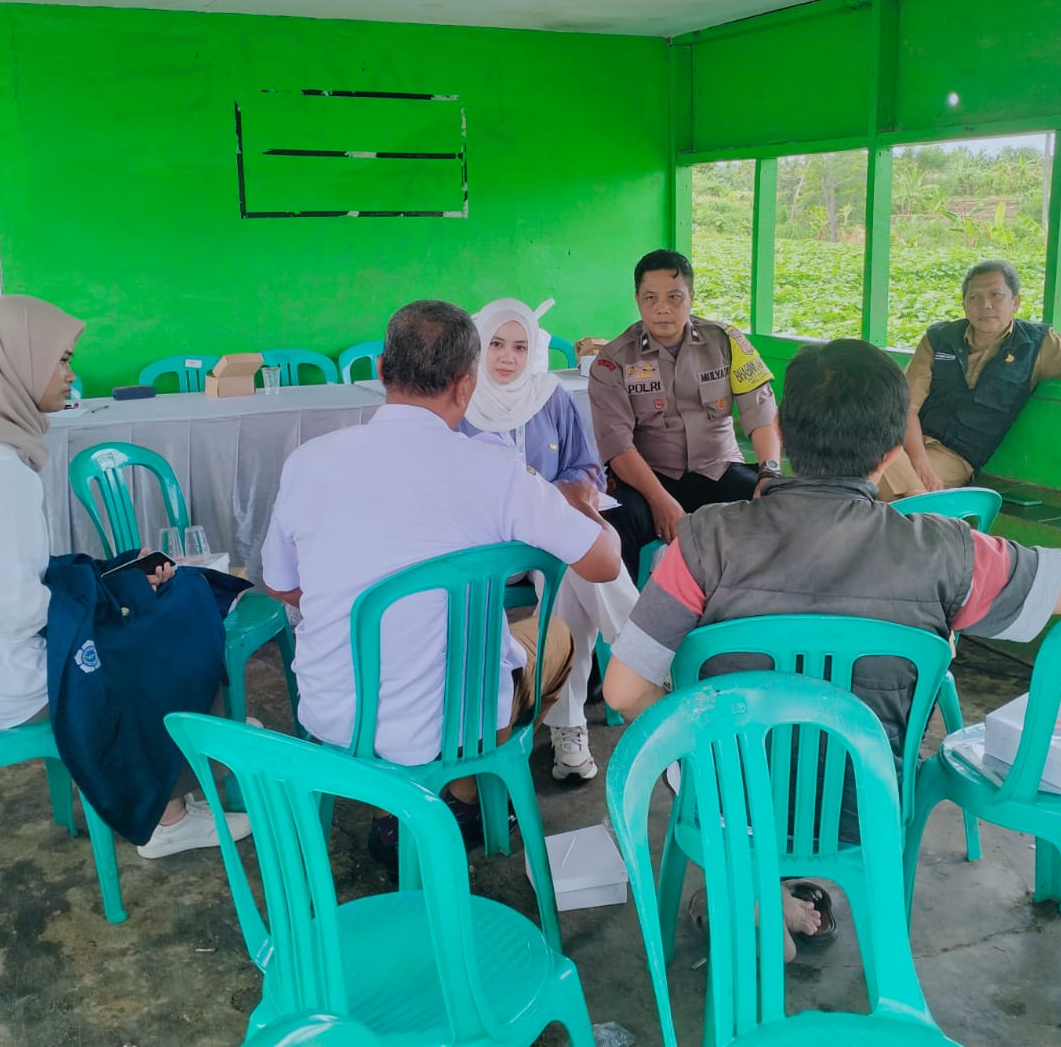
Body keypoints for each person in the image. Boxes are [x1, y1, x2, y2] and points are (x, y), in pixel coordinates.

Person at [602, 337, 1061, 957]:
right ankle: (773, 893)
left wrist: (709, 737)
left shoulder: (704, 540)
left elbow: (625, 690)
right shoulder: (947, 551)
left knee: (701, 742)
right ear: (891, 454)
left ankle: (749, 887)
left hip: (727, 802)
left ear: (779, 435)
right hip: (864, 802)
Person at [261, 300, 622, 859]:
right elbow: (603, 564)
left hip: (334, 710)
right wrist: (587, 508)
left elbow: (282, 586)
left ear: (381, 369)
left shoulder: (307, 461)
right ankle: (467, 794)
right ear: (466, 384)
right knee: (556, 638)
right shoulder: (494, 469)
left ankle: (394, 812)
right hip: (455, 719)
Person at [0, 296, 249, 858]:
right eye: (59, 360)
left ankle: (200, 745)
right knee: (173, 619)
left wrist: (107, 584)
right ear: (12, 364)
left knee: (142, 602)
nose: (69, 375)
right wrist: (105, 599)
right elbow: (15, 611)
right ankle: (169, 812)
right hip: (5, 682)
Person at [458, 296, 639, 782]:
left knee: (569, 578)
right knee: (576, 559)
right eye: (496, 344)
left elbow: (586, 466)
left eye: (520, 347)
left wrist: (561, 492)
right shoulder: (462, 400)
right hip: (491, 547)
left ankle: (569, 725)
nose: (507, 357)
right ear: (477, 345)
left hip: (550, 536)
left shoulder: (549, 396)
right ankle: (645, 656)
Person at [588, 249, 783, 578]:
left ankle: (758, 605)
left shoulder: (726, 342)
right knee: (614, 524)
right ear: (637, 300)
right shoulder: (614, 360)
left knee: (779, 508)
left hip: (719, 470)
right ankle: (628, 610)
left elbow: (761, 414)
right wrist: (659, 500)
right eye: (650, 297)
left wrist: (769, 475)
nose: (662, 308)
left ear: (691, 297)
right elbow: (618, 446)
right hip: (651, 477)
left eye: (674, 297)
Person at [879, 259, 1061, 498]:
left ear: (1015, 302)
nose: (985, 305)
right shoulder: (939, 339)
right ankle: (919, 503)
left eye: (996, 295)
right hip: (906, 443)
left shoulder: (1037, 345)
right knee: (866, 460)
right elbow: (907, 408)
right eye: (974, 297)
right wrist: (920, 465)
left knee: (875, 474)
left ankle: (918, 504)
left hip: (951, 457)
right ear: (964, 305)